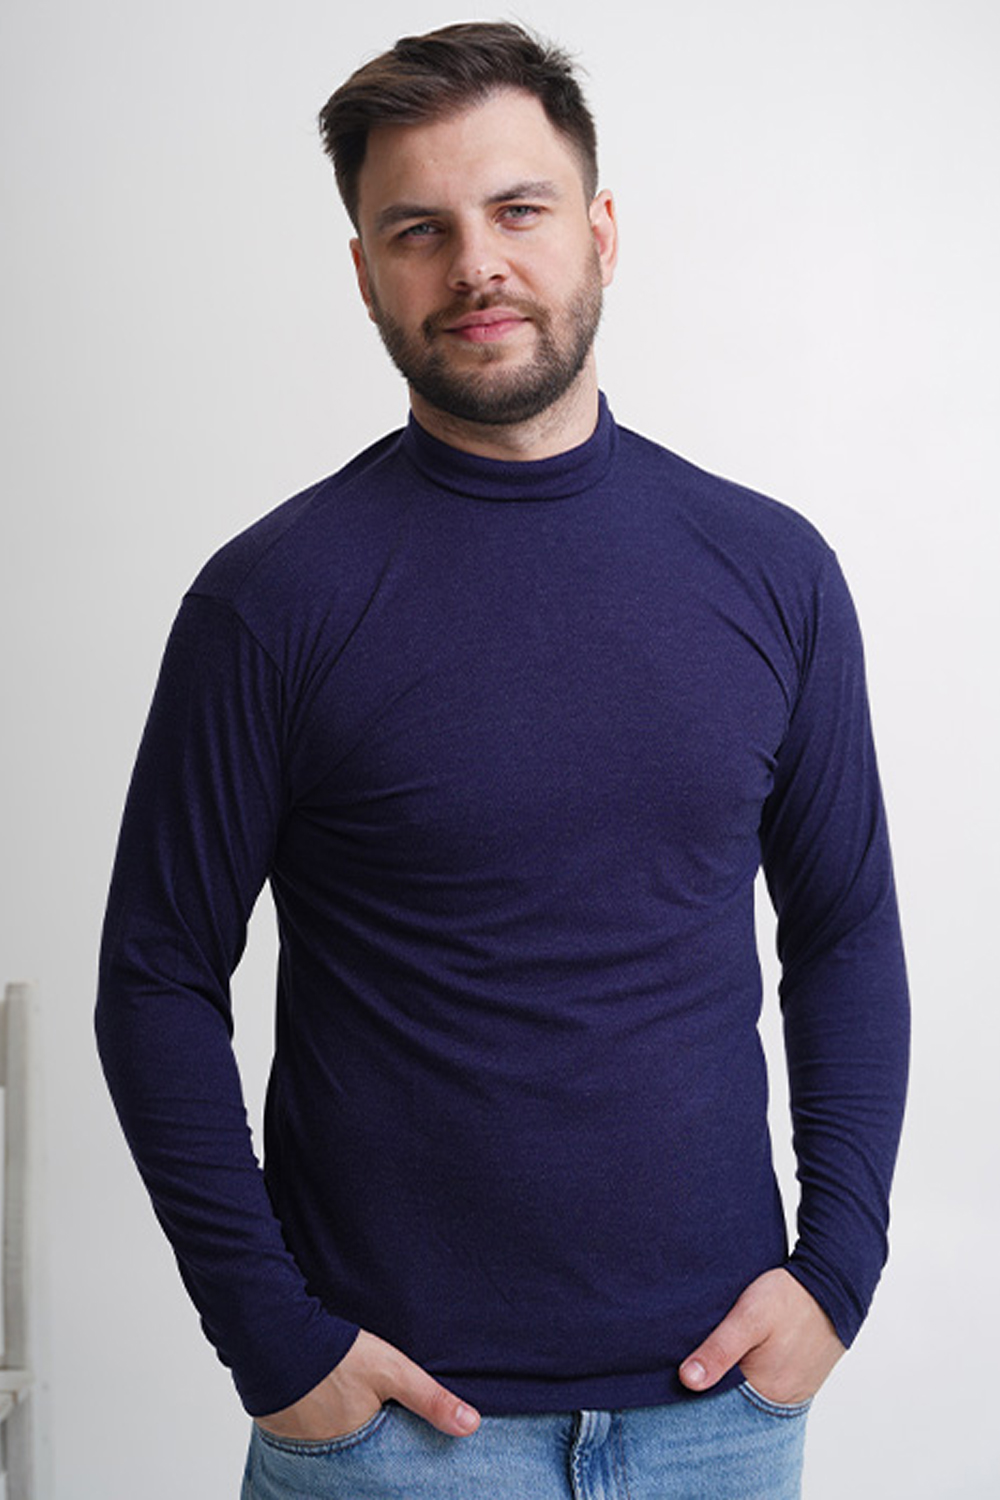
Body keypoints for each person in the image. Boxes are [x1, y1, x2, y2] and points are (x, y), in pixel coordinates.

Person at [96, 21, 909, 1499]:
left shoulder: (773, 571)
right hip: (395, 1437)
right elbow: (155, 975)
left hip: (720, 1419)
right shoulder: (271, 601)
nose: (477, 264)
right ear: (365, 274)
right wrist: (273, 1341)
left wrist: (840, 1269)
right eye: (420, 230)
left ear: (601, 231)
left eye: (519, 209)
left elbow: (844, 929)